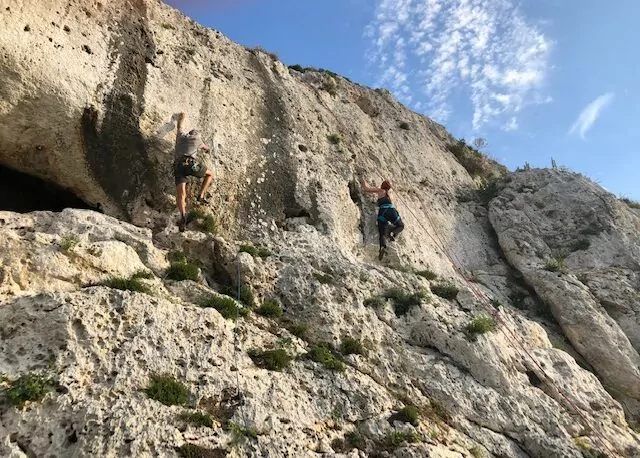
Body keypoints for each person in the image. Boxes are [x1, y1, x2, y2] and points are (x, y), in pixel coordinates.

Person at [173, 112, 213, 232]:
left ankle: (183, 216)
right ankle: (200, 195)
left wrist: (182, 117)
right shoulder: (197, 139)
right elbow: (207, 149)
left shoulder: (181, 136)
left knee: (181, 194)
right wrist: (207, 150)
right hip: (190, 164)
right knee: (210, 174)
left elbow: (179, 126)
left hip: (178, 166)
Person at [361, 178, 404, 260]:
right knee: (400, 226)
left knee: (382, 233)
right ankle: (392, 233)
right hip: (391, 211)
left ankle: (382, 246)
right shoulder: (390, 195)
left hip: (382, 213)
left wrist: (362, 180)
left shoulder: (381, 191)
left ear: (382, 185)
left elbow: (366, 189)